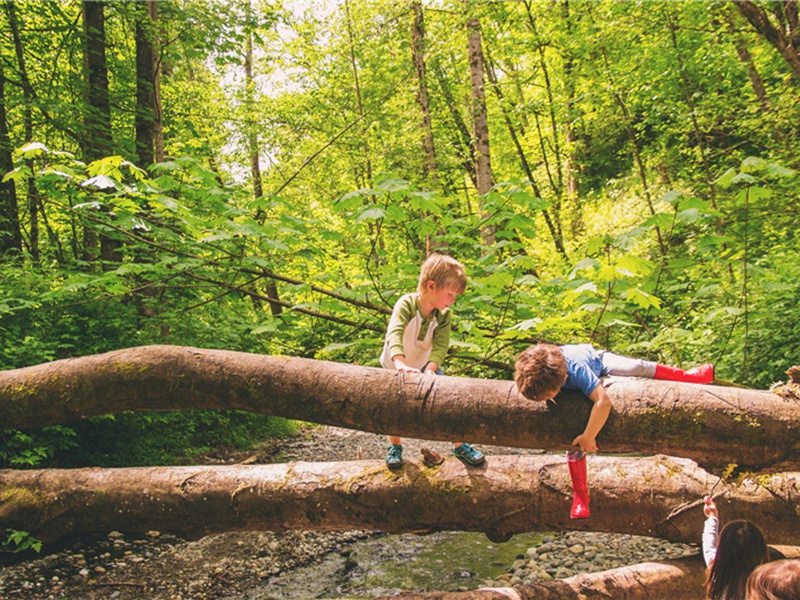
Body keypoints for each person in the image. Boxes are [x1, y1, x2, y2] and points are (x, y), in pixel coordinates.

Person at [514, 343, 714, 519]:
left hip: (598, 361)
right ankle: (581, 497)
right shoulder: (537, 372)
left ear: (564, 378)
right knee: (572, 433)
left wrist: (589, 436)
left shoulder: (577, 370)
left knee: (637, 367)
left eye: (549, 395)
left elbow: (603, 402)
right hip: (558, 375)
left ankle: (688, 376)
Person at [379, 252, 485, 470]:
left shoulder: (443, 315)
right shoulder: (407, 305)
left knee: (446, 402)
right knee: (394, 408)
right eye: (450, 294)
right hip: (395, 365)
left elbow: (441, 345)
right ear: (430, 286)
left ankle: (459, 443)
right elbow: (394, 333)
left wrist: (431, 368)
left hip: (425, 365)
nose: (453, 300)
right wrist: (400, 363)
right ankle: (395, 446)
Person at [703, 496, 769, 600]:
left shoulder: (716, 573)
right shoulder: (765, 583)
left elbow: (709, 546)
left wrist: (712, 517)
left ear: (723, 552)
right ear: (760, 550)